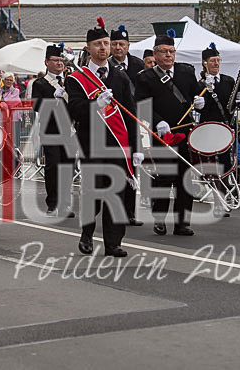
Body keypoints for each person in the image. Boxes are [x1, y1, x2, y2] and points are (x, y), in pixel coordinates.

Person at [66, 18, 140, 257]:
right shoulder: (78, 78)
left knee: (116, 195)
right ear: (88, 47)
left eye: (106, 43)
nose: (103, 48)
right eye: (98, 44)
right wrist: (95, 104)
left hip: (117, 145)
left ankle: (113, 242)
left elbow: (130, 115)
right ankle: (87, 234)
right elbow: (74, 110)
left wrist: (135, 148)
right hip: (92, 143)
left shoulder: (120, 77)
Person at [135, 31, 205, 236]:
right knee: (163, 178)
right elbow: (141, 104)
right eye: (164, 52)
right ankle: (159, 219)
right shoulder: (146, 78)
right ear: (155, 55)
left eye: (171, 51)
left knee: (185, 179)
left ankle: (183, 223)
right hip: (162, 135)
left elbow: (196, 94)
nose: (168, 55)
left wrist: (200, 103)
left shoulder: (185, 72)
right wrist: (158, 122)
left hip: (184, 133)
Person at [197, 42, 240, 217]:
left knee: (225, 164)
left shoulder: (228, 81)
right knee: (213, 165)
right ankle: (219, 197)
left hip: (225, 128)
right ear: (205, 63)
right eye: (212, 61)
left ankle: (223, 198)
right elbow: (197, 107)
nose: (216, 64)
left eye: (218, 60)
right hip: (208, 128)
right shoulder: (200, 84)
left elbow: (232, 106)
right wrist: (199, 103)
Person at [31, 44, 75, 217]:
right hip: (51, 130)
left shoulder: (70, 81)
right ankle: (53, 203)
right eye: (55, 60)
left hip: (69, 130)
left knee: (67, 168)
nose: (59, 63)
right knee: (53, 166)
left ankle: (65, 204)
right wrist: (52, 97)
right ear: (46, 62)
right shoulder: (40, 83)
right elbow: (36, 105)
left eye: (61, 60)